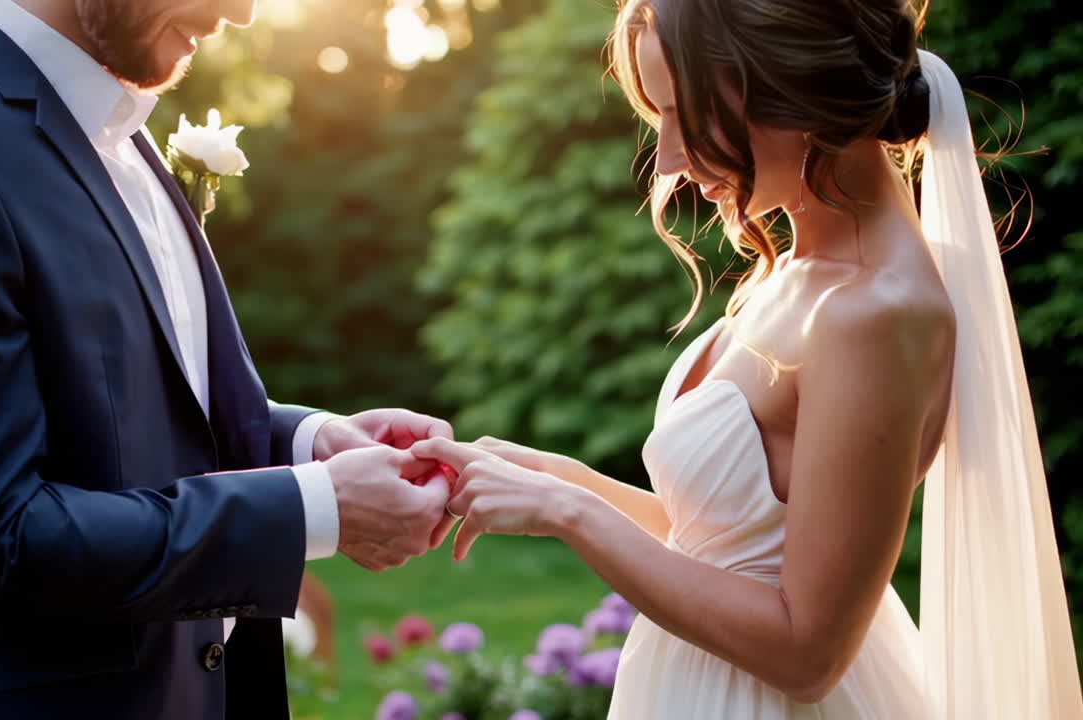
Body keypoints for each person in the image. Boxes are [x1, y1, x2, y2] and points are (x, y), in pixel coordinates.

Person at [413, 0, 1083, 717]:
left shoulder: (876, 312)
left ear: (790, 87)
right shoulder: (796, 270)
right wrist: (555, 477)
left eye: (687, 116)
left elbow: (808, 652)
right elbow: (728, 548)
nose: (667, 160)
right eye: (660, 119)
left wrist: (570, 512)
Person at [0, 0, 457, 718]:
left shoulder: (122, 129)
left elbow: (144, 412)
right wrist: (312, 506)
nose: (243, 13)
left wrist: (310, 443)